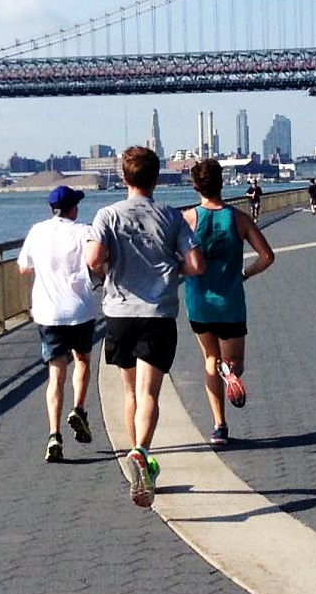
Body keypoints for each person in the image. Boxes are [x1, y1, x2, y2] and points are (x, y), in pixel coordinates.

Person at [86, 146, 202, 508]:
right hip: (157, 313)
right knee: (150, 393)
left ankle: (134, 457)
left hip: (119, 314)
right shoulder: (170, 216)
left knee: (130, 393)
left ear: (124, 178)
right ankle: (142, 451)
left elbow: (93, 259)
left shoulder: (107, 215)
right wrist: (170, 273)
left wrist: (108, 270)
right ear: (156, 179)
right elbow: (196, 264)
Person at [183, 159, 275, 447]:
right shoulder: (239, 218)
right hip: (231, 301)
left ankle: (219, 426)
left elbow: (174, 258)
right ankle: (231, 373)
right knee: (235, 362)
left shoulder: (187, 219)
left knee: (210, 359)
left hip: (198, 301)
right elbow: (267, 256)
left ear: (195, 186)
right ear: (221, 184)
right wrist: (245, 273)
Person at [16, 184, 101, 463]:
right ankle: (78, 408)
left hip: (48, 312)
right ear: (73, 208)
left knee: (56, 375)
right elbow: (96, 261)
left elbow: (23, 267)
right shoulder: (84, 231)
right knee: (83, 360)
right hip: (80, 310)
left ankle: (54, 435)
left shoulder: (37, 231)